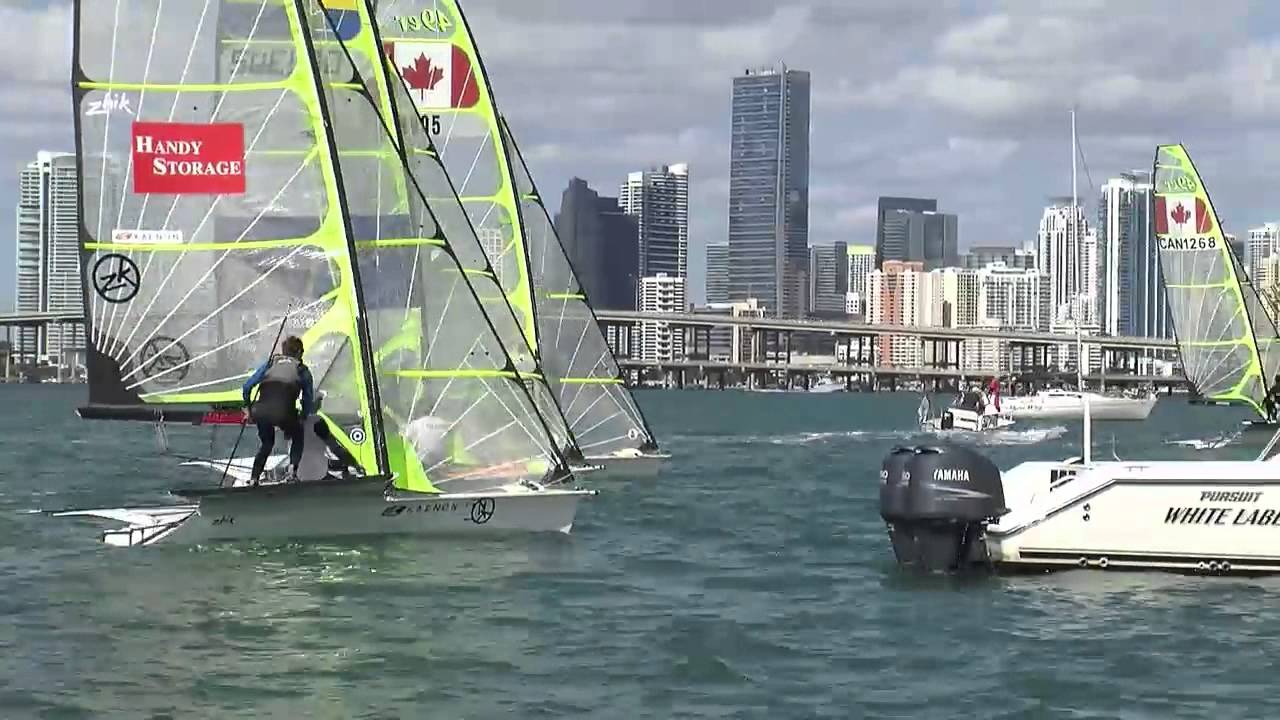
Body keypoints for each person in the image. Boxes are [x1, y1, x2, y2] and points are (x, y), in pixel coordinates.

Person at [243, 336, 314, 485]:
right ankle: (292, 471)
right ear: (299, 352)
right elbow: (308, 399)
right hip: (284, 413)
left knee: (267, 443)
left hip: (260, 411)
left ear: (283, 351)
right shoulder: (302, 370)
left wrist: (249, 409)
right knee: (298, 434)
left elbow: (247, 387)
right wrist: (303, 416)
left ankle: (254, 478)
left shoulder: (270, 363)